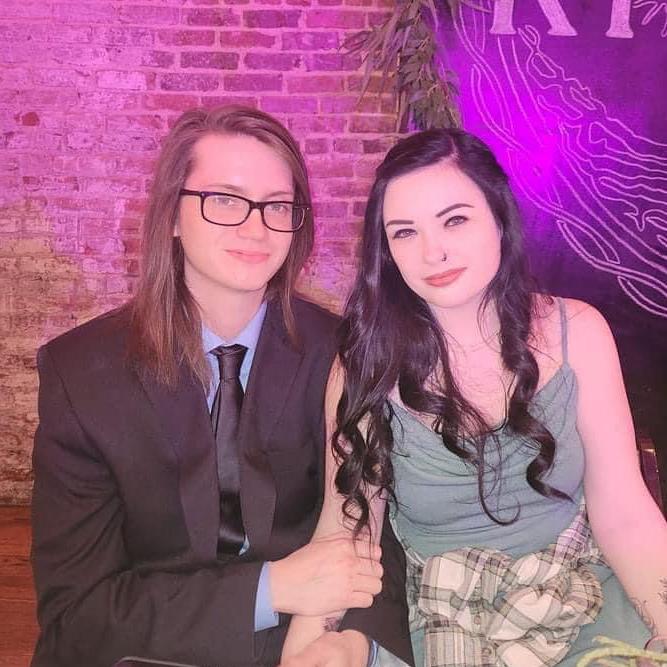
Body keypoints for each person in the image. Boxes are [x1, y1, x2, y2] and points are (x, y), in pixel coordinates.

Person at [30, 105, 412, 667]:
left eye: (277, 205)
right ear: (172, 215)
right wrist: (271, 588)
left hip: (307, 638)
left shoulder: (343, 354)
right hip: (150, 650)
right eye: (225, 200)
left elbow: (382, 528)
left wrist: (351, 640)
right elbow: (78, 613)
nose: (256, 228)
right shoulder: (81, 374)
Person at [289, 128, 667, 666]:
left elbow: (626, 515)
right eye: (405, 232)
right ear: (387, 252)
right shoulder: (364, 365)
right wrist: (302, 651)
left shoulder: (578, 331)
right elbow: (348, 532)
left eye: (455, 220)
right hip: (450, 615)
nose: (433, 251)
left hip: (582, 595)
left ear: (499, 217)